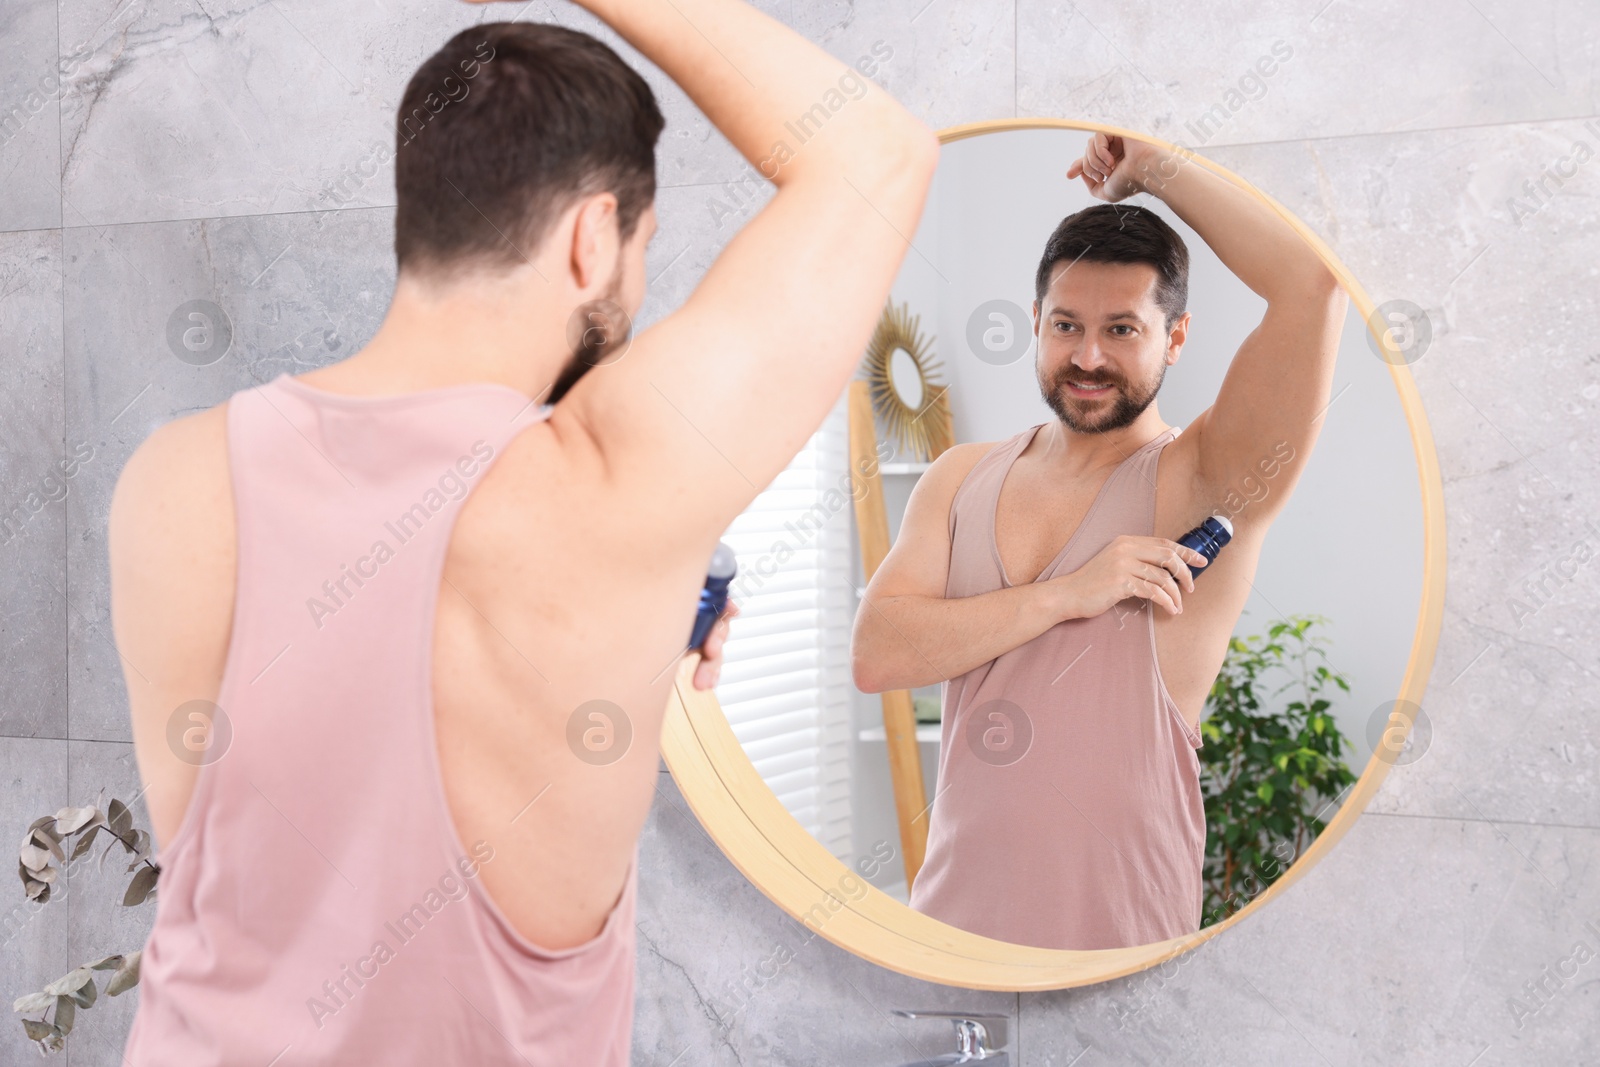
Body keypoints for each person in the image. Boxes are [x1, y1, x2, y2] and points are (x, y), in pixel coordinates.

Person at [106, 1, 938, 1061]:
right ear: (594, 239)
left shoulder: (173, 477)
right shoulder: (604, 481)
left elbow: (269, 848)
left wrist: (624, 629)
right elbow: (876, 151)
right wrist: (610, 615)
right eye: (640, 247)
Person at [852, 132, 1347, 951]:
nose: (1087, 356)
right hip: (949, 937)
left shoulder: (1208, 476)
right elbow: (878, 653)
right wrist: (1066, 594)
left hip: (1121, 959)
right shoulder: (958, 477)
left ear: (1175, 338)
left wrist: (1155, 168)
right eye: (1067, 325)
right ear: (1035, 324)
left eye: (1122, 329)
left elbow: (1314, 284)